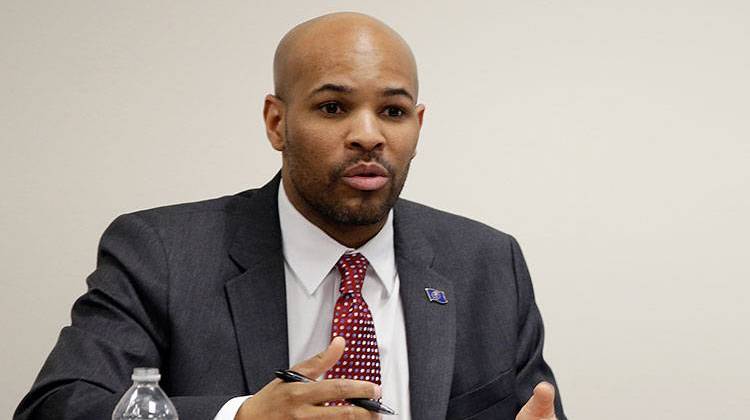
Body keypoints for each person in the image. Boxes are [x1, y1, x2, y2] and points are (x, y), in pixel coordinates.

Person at [15, 12, 566, 420]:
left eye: (393, 112)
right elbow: (58, 407)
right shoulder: (161, 253)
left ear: (418, 126)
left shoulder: (489, 264)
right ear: (277, 122)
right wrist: (239, 417)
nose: (369, 135)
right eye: (333, 107)